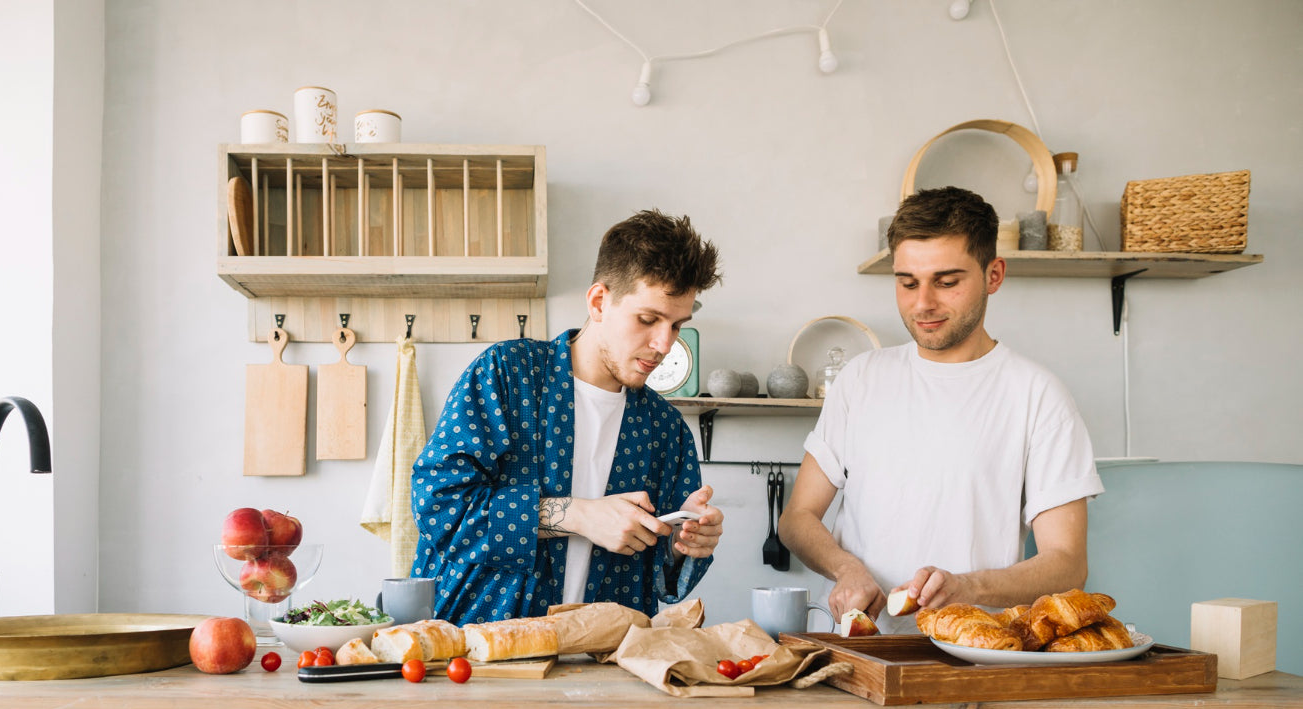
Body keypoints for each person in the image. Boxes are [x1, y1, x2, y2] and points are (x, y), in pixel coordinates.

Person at [778, 186, 1103, 631]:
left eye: (947, 282)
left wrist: (968, 588)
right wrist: (845, 568)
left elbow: (1067, 564)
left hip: (975, 656)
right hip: (857, 651)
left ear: (994, 275)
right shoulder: (861, 378)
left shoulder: (1038, 395)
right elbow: (797, 518)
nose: (922, 303)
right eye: (907, 282)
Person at [410, 208, 726, 625]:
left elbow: (662, 579)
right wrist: (579, 515)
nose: (664, 344)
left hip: (603, 667)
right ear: (599, 301)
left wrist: (683, 544)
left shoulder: (666, 431)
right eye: (648, 319)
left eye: (677, 325)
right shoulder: (506, 374)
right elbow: (437, 503)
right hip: (473, 652)